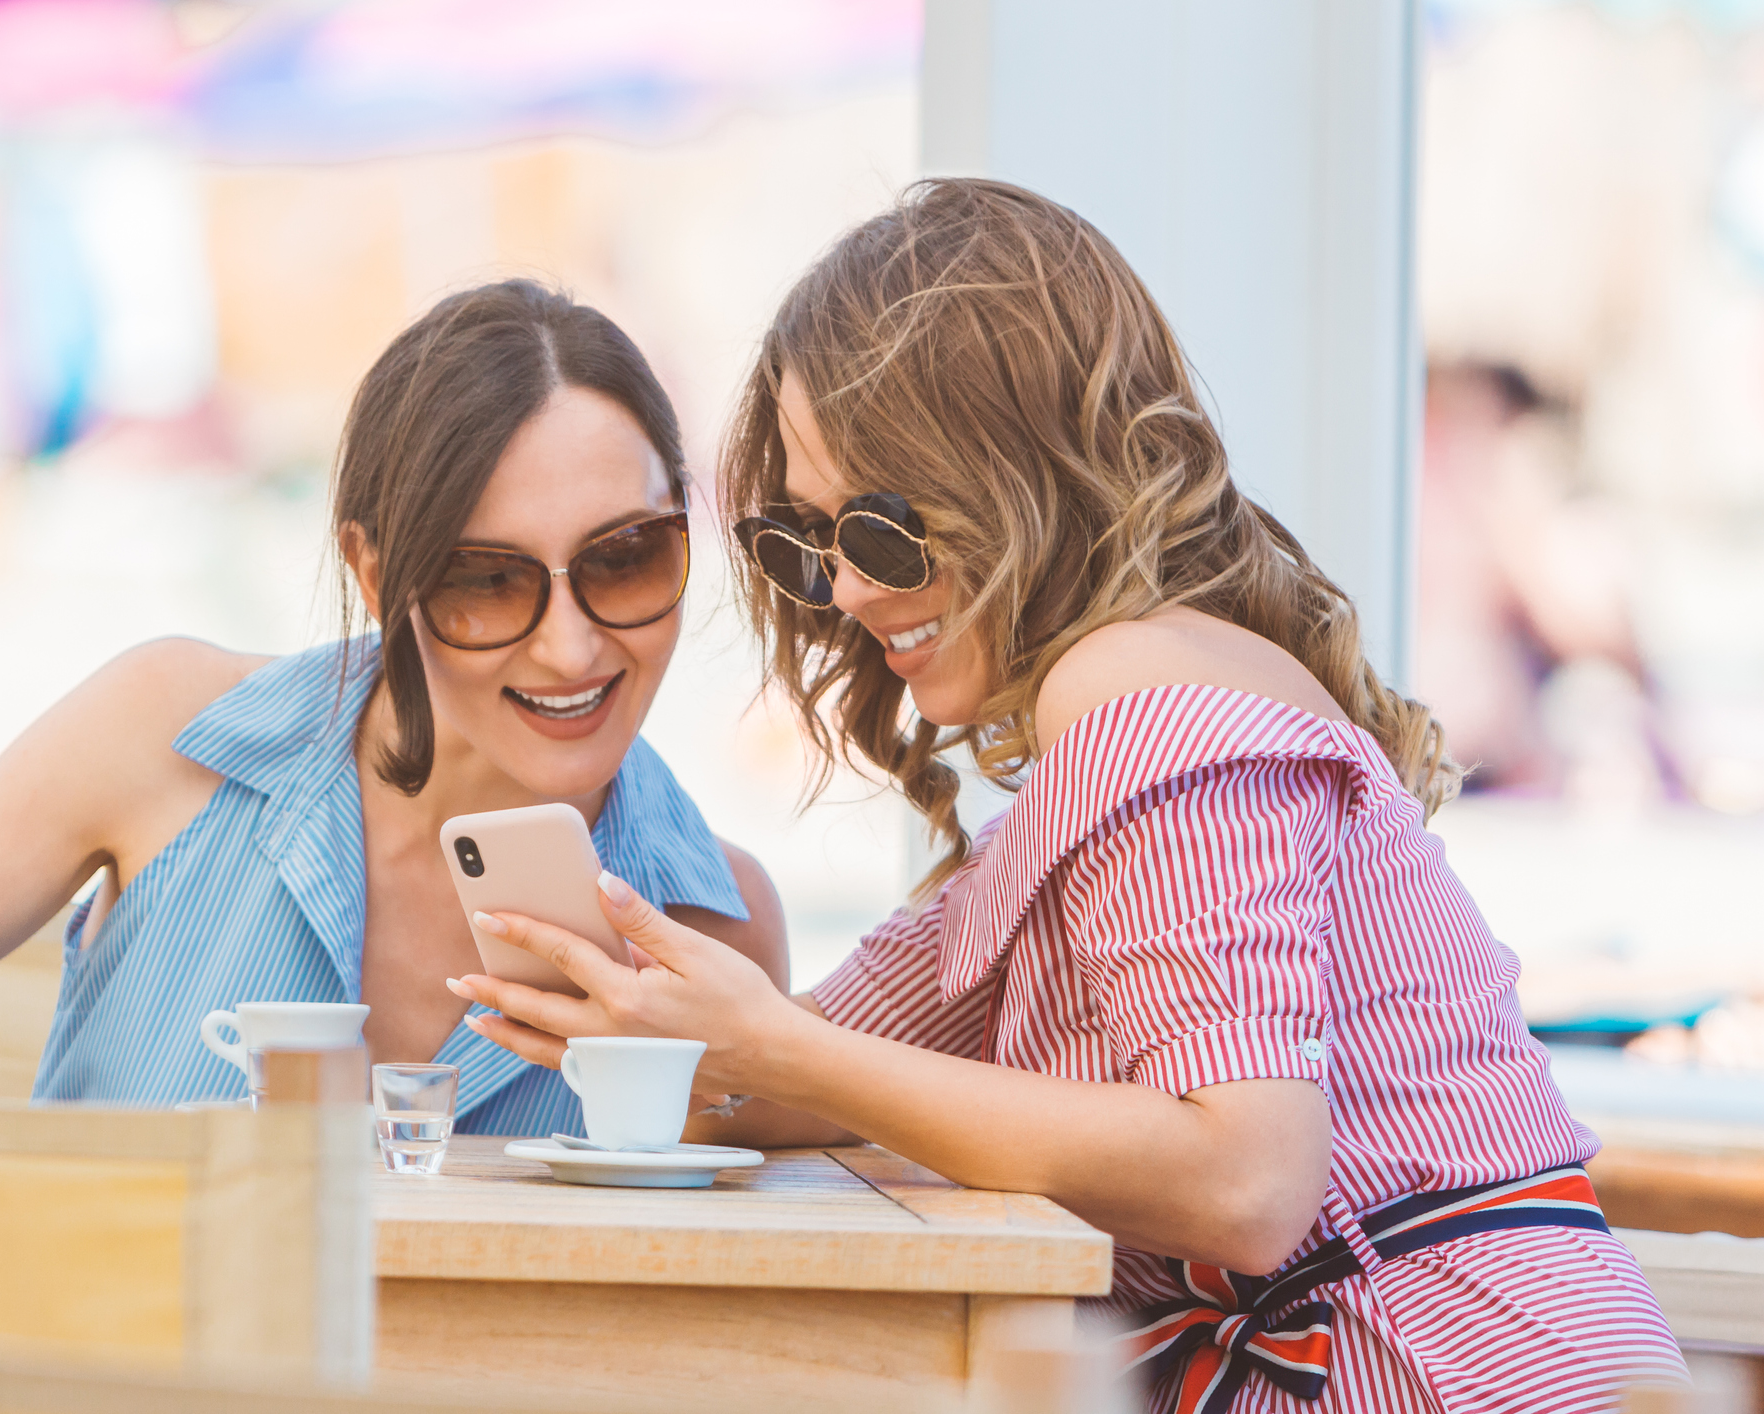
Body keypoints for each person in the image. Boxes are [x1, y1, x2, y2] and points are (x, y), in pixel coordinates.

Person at [445, 183, 1685, 1412]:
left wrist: (773, 1048)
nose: (847, 593)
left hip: (1441, 1366)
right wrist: (668, 1030)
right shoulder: (1078, 794)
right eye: (807, 546)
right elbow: (814, 1069)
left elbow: (1247, 1178)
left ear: (1018, 470)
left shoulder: (1133, 688)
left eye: (878, 530)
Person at [0, 279, 786, 1136]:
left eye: (628, 558)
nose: (574, 641)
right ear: (372, 568)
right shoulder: (168, 737)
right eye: (488, 578)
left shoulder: (721, 925)